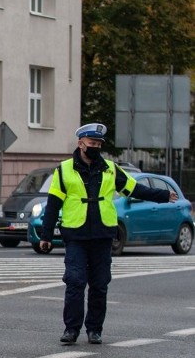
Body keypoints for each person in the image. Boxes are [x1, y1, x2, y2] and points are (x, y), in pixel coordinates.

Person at [39, 123, 177, 345]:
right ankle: (71, 329)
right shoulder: (64, 170)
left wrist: (162, 195)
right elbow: (53, 204)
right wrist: (46, 236)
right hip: (76, 235)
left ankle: (94, 329)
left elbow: (135, 189)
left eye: (98, 144)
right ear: (80, 143)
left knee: (99, 284)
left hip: (103, 235)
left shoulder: (110, 169)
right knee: (75, 282)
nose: (95, 147)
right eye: (92, 143)